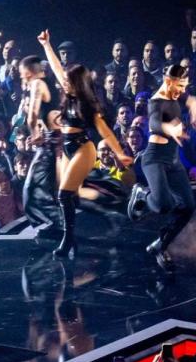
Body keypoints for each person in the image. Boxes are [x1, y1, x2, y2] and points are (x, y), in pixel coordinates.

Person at [37, 29, 133, 258]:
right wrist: (46, 45)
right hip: (69, 148)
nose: (64, 82)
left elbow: (107, 133)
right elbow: (57, 68)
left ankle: (68, 241)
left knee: (64, 195)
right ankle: (109, 206)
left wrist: (120, 154)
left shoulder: (88, 105)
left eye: (69, 81)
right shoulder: (69, 95)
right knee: (71, 196)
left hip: (83, 148)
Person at [126, 65, 196, 272]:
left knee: (187, 207)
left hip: (173, 161)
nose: (181, 90)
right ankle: (141, 193)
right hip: (154, 158)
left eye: (183, 86)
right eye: (178, 85)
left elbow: (188, 100)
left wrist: (194, 109)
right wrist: (170, 128)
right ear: (167, 80)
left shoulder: (177, 93)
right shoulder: (157, 99)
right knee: (163, 206)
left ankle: (160, 245)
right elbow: (154, 123)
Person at [18, 54, 62, 232]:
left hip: (49, 145)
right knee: (44, 190)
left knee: (31, 191)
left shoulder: (37, 84)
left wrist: (36, 134)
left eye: (23, 72)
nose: (22, 76)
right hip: (53, 142)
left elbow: (32, 118)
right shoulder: (50, 86)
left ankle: (58, 224)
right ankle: (57, 226)